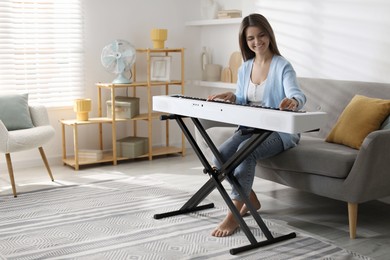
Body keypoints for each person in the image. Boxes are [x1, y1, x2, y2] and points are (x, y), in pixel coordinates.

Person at [207, 13, 306, 237]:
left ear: (269, 36)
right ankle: (250, 199)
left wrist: (293, 102)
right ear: (245, 41)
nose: (256, 41)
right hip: (249, 129)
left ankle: (233, 216)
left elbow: (297, 95)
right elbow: (244, 100)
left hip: (278, 132)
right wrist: (232, 97)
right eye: (250, 38)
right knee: (219, 156)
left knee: (245, 152)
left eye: (261, 35)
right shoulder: (245, 68)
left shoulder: (283, 66)